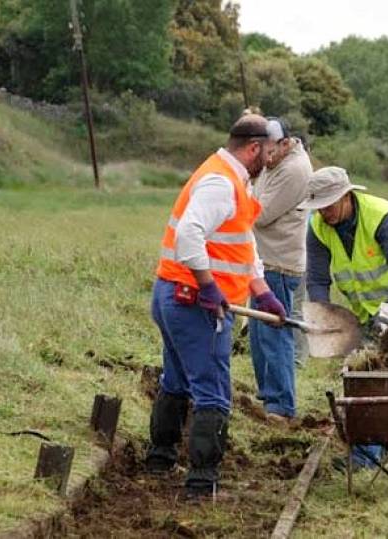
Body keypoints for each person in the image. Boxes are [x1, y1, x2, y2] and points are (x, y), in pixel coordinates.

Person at [146, 114, 287, 502]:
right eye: (269, 152)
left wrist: (261, 291)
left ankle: (160, 459)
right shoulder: (219, 182)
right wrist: (208, 286)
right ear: (254, 147)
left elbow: (241, 243)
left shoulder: (233, 178)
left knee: (176, 378)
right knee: (213, 392)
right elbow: (189, 235)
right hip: (193, 303)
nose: (271, 160)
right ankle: (201, 483)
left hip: (173, 295)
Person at [300, 166, 388, 470]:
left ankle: (376, 452)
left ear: (347, 196)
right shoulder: (318, 227)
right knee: (363, 375)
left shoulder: (383, 217)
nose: (324, 213)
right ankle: (373, 448)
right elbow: (318, 277)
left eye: (329, 205)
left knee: (386, 373)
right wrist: (322, 315)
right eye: (318, 208)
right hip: (363, 307)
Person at [249, 117, 312, 423]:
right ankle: (268, 396)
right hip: (263, 261)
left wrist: (246, 199)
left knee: (275, 335)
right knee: (260, 336)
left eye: (271, 150)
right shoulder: (275, 163)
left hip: (280, 263)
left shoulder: (295, 170)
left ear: (286, 143)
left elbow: (259, 214)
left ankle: (281, 405)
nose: (266, 157)